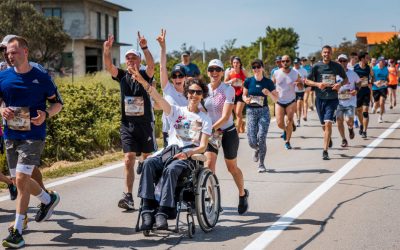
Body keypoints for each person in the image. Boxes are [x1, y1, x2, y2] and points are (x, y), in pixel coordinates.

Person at [0, 36, 62, 248]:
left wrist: (46, 113)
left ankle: (17, 231)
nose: (10, 56)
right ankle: (47, 199)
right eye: (8, 53)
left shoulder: (41, 77)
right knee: (19, 181)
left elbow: (57, 104)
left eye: (14, 52)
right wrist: (2, 109)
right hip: (11, 135)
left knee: (21, 177)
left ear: (25, 52)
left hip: (34, 135)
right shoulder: (3, 77)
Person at [134, 74, 212, 230]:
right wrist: (143, 82)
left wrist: (188, 154)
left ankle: (163, 212)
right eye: (191, 91)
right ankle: (148, 211)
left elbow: (203, 146)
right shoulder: (176, 111)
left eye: (198, 92)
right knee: (149, 163)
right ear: (186, 93)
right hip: (169, 151)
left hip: (187, 156)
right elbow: (159, 98)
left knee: (171, 169)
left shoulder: (205, 119)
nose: (194, 95)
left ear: (202, 95)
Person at [103, 33, 156, 210]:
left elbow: (151, 65)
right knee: (128, 159)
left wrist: (145, 48)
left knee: (148, 160)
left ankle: (149, 194)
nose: (131, 60)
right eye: (128, 58)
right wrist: (107, 50)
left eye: (134, 58)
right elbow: (109, 66)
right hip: (127, 125)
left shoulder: (144, 74)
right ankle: (128, 196)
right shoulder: (123, 76)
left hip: (145, 124)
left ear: (139, 60)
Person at [0, 35, 49, 198]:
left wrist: (44, 115)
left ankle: (44, 196)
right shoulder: (1, 70)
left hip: (32, 129)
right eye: (3, 51)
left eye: (8, 50)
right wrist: (2, 110)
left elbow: (51, 96)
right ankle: (43, 198)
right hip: (8, 128)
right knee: (20, 174)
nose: (6, 54)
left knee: (28, 170)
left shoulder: (35, 69)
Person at [203, 59, 249, 214]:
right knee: (209, 166)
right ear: (207, 72)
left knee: (232, 167)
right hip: (211, 133)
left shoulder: (227, 89)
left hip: (227, 131)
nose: (214, 72)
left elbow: (225, 116)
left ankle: (242, 194)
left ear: (223, 72)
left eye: (217, 69)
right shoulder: (204, 90)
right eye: (211, 69)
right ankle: (214, 201)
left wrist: (209, 129)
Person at [305, 45, 348, 160]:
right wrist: (317, 84)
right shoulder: (316, 67)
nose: (326, 54)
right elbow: (307, 81)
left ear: (331, 54)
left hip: (332, 99)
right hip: (320, 99)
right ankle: (328, 138)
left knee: (328, 123)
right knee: (324, 125)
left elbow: (346, 79)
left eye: (328, 52)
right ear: (321, 53)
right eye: (324, 52)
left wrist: (340, 84)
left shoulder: (337, 66)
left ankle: (325, 151)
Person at [243, 59, 277, 173]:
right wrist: (246, 99)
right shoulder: (248, 81)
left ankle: (262, 164)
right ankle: (256, 149)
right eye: (254, 67)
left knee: (261, 137)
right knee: (252, 141)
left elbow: (276, 99)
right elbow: (243, 95)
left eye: (258, 67)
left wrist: (269, 93)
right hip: (251, 112)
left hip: (263, 112)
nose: (256, 69)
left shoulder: (268, 82)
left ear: (262, 68)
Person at [157, 29, 188, 147]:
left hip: (185, 129)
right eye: (174, 76)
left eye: (180, 75)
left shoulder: (191, 93)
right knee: (169, 162)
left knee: (186, 160)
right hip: (168, 131)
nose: (177, 78)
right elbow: (162, 67)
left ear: (185, 77)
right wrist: (163, 47)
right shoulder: (167, 88)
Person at [272, 55, 302, 150]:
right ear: (281, 62)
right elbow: (271, 85)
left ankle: (287, 141)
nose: (285, 63)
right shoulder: (276, 73)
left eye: (287, 61)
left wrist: (299, 84)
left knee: (289, 120)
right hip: (279, 101)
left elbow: (301, 87)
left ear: (290, 62)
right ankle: (287, 129)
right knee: (279, 123)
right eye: (283, 61)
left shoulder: (295, 73)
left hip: (291, 101)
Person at [336, 54, 360, 147]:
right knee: (339, 120)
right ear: (338, 62)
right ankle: (343, 139)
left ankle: (350, 128)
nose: (342, 63)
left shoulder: (352, 73)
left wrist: (356, 90)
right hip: (338, 101)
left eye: (344, 61)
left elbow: (359, 82)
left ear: (347, 62)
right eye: (340, 61)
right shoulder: (335, 74)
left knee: (348, 120)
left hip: (350, 101)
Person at [224, 56, 247, 133]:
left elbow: (248, 81)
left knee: (238, 112)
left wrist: (242, 83)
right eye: (234, 63)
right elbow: (225, 82)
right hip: (233, 94)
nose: (236, 64)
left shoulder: (243, 71)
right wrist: (231, 80)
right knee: (235, 114)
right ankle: (242, 123)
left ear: (240, 64)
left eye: (237, 62)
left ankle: (236, 132)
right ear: (232, 64)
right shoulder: (230, 72)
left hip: (241, 93)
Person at [353, 52, 373, 138]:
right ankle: (361, 124)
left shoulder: (368, 67)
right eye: (367, 58)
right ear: (362, 59)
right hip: (358, 92)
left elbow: (372, 76)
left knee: (365, 111)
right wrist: (358, 80)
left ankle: (364, 131)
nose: (368, 59)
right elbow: (351, 78)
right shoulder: (355, 68)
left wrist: (371, 81)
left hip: (365, 91)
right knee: (358, 111)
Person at [372, 57, 389, 123]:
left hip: (383, 88)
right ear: (379, 62)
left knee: (382, 102)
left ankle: (380, 117)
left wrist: (387, 82)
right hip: (375, 88)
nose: (383, 62)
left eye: (384, 61)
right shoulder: (374, 69)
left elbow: (387, 79)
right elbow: (371, 79)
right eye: (382, 61)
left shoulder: (386, 69)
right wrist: (375, 82)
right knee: (376, 103)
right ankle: (374, 105)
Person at [293, 58, 308, 126]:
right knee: (295, 107)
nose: (296, 64)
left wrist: (302, 82)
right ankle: (297, 116)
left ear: (300, 63)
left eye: (297, 63)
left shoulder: (304, 70)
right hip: (292, 91)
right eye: (295, 63)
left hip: (301, 90)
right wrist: (294, 83)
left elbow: (306, 80)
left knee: (299, 104)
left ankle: (298, 120)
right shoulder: (291, 70)